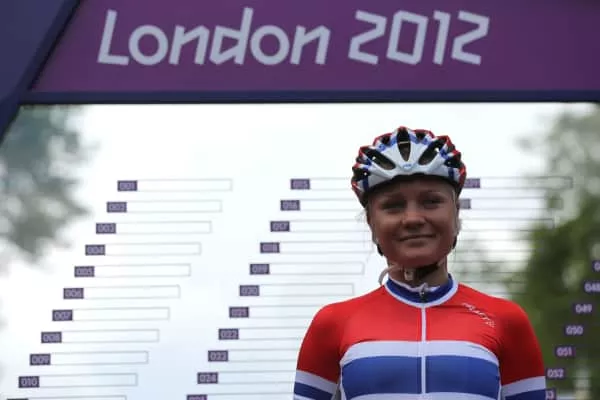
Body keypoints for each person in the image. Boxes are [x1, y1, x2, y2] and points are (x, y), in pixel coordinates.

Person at [292, 126, 547, 399]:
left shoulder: (507, 320)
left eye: (431, 201)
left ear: (456, 213)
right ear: (371, 222)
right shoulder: (332, 323)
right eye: (393, 206)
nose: (412, 219)